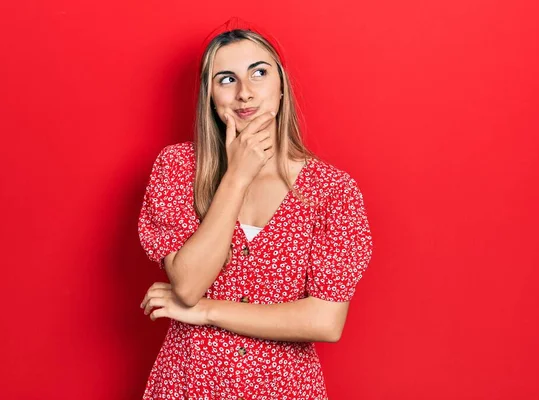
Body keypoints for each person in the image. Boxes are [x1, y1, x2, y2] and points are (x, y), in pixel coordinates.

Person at [137, 17, 374, 400]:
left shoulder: (332, 190)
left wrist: (206, 312)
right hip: (189, 385)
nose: (244, 93)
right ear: (210, 97)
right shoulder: (178, 168)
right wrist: (237, 176)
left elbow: (324, 321)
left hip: (285, 389)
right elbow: (188, 284)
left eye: (258, 73)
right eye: (226, 79)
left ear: (281, 88)